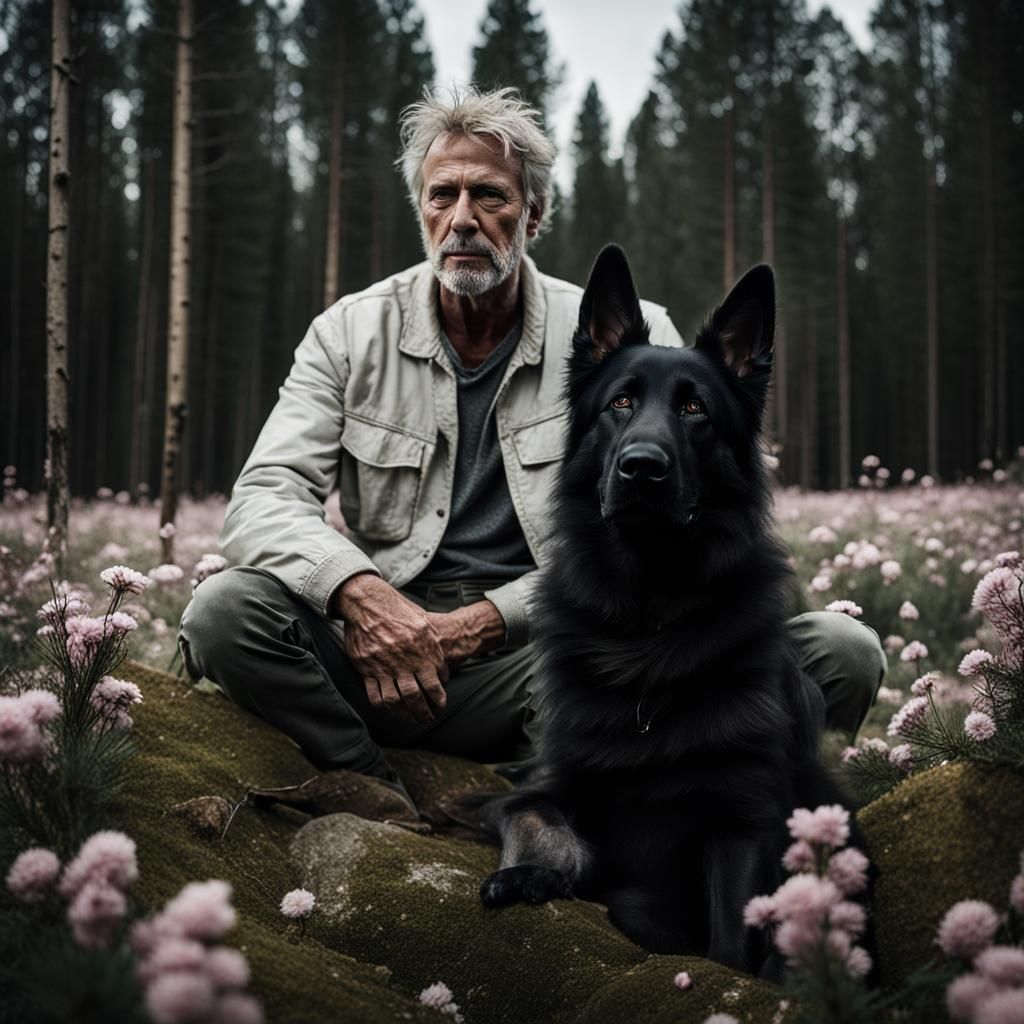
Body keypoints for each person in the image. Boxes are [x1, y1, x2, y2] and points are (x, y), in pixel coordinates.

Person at [178, 86, 885, 812]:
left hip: (557, 652)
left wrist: (486, 620)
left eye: (489, 196)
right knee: (224, 611)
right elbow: (262, 500)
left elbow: (692, 519)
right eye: (441, 194)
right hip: (379, 655)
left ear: (534, 215)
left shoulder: (630, 339)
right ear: (420, 209)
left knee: (839, 654)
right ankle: (376, 789)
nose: (462, 220)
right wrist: (364, 600)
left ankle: (584, 809)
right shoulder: (347, 333)